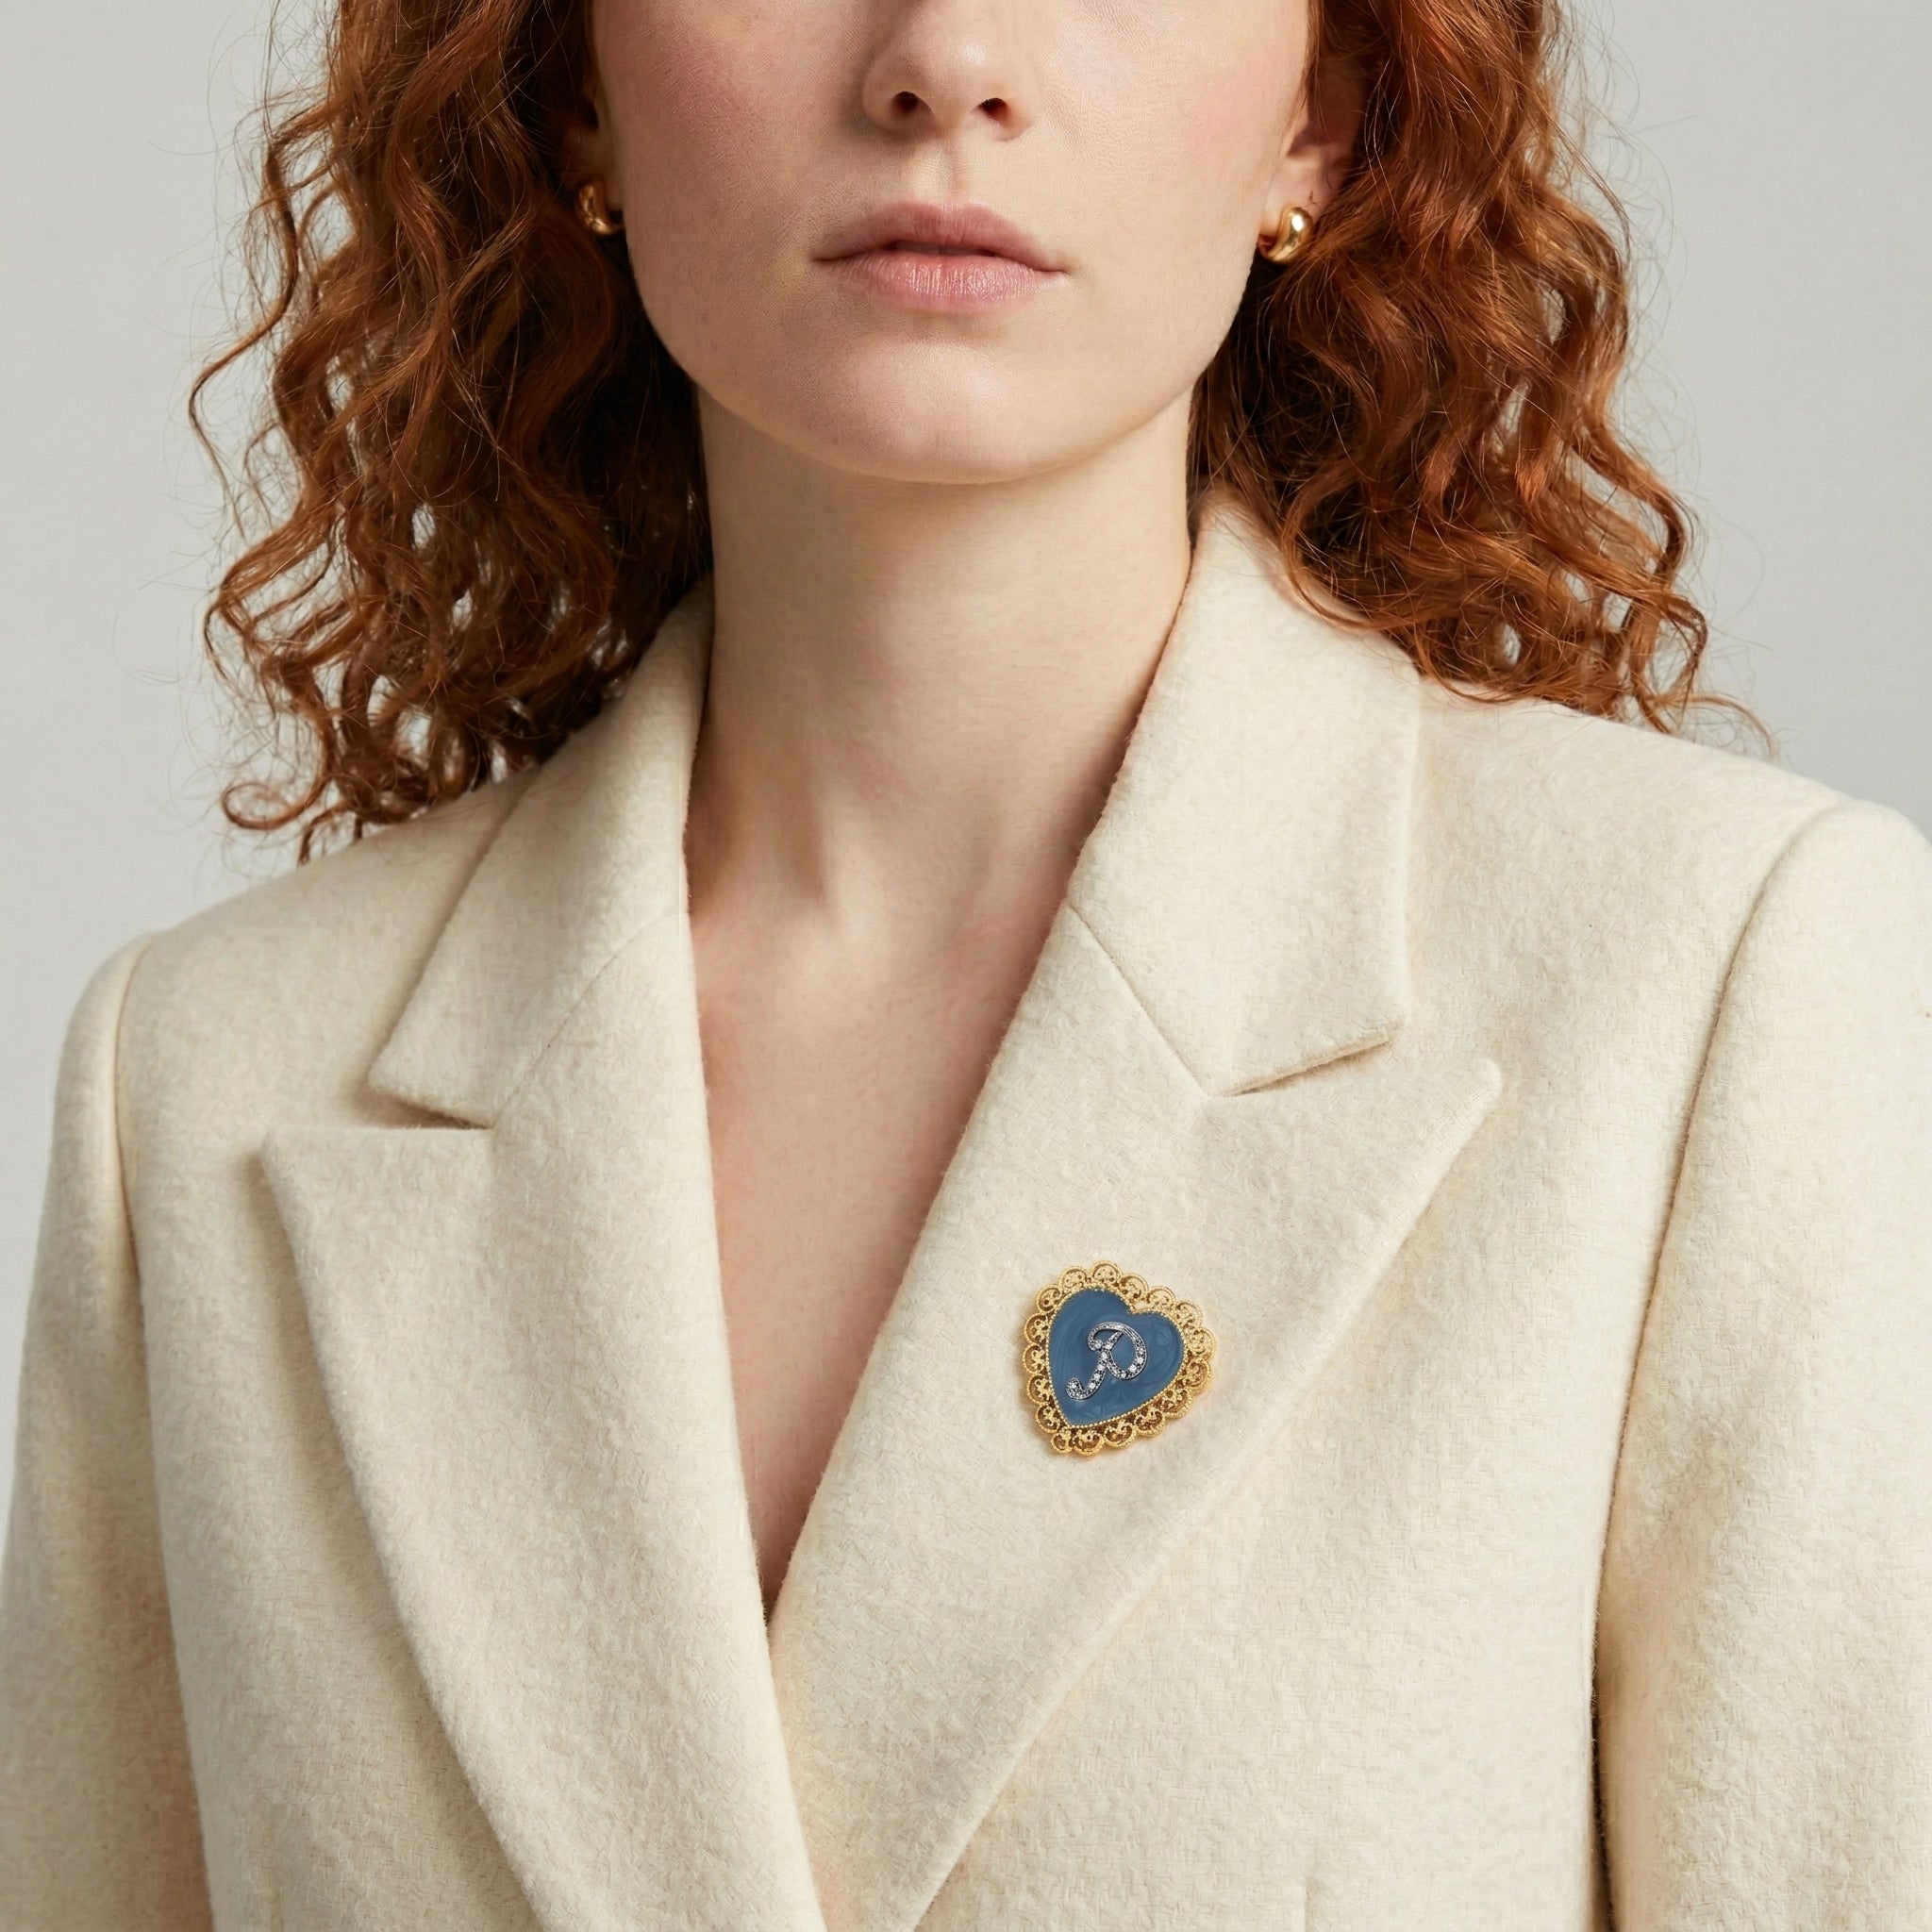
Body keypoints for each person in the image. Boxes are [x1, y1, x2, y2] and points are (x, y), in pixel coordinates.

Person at [3, 0, 1928, 1924]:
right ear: (568, 81)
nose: (944, 61)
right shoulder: (211, 1085)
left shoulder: (1708, 996)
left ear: (1324, 117)